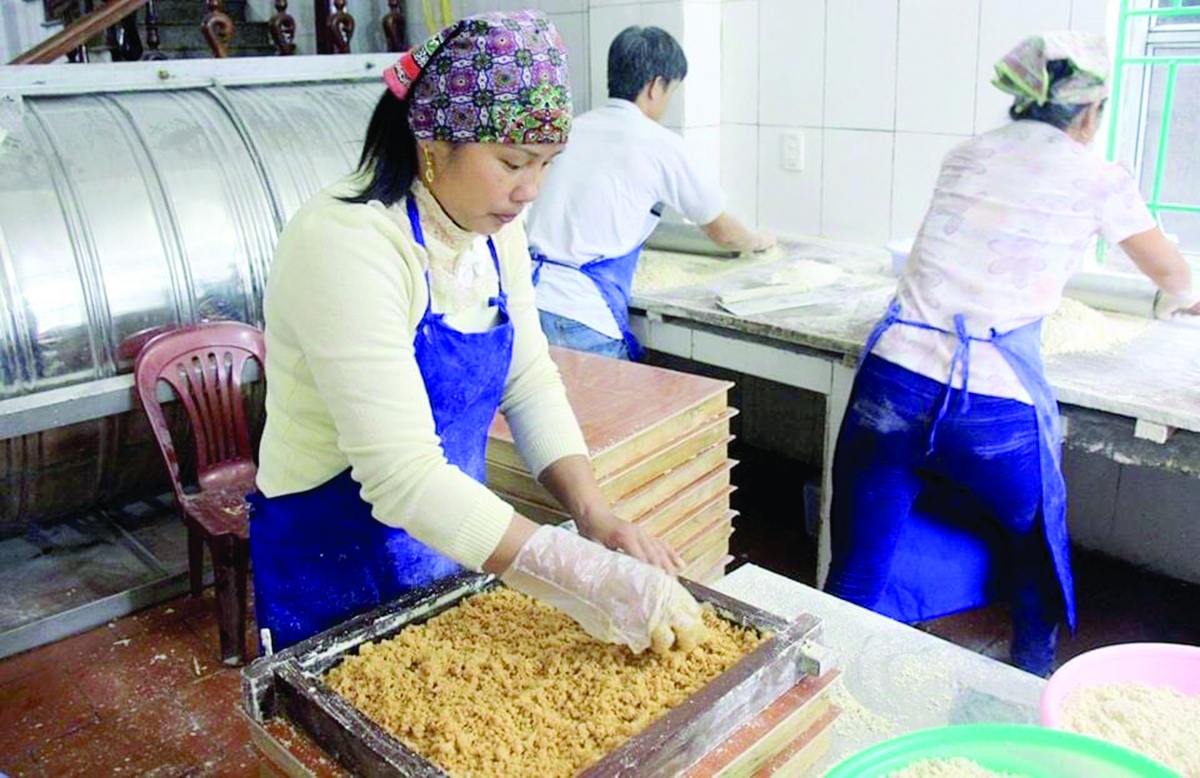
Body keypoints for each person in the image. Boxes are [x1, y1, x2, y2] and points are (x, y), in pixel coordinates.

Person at [248, 11, 704, 656]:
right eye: (514, 161)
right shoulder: (348, 242)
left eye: (546, 164)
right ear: (433, 143)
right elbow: (402, 474)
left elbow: (528, 377)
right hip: (337, 551)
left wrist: (594, 516)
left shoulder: (493, 231)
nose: (530, 191)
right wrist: (582, 574)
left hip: (452, 537)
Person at [822, 32, 1199, 676]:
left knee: (857, 570)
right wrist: (1183, 296)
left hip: (893, 383)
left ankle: (816, 694)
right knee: (1034, 555)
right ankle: (1029, 686)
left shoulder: (965, 156)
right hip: (991, 405)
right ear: (1089, 113)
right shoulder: (1100, 178)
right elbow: (1175, 277)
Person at [525, 25, 774, 361]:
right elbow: (723, 232)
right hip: (580, 316)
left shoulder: (572, 130)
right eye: (671, 90)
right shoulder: (658, 143)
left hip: (526, 304)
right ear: (656, 86)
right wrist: (758, 241)